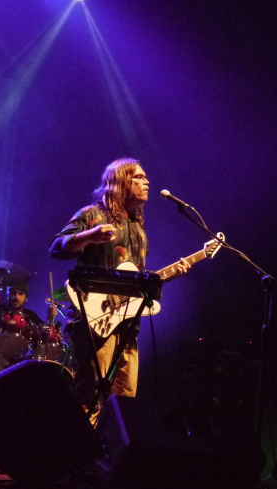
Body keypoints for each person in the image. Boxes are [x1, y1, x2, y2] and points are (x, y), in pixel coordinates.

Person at [49, 158, 188, 408]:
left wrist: (168, 275)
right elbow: (57, 247)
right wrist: (89, 236)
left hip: (127, 327)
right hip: (95, 324)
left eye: (146, 177)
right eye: (139, 177)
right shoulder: (93, 215)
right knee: (89, 400)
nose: (147, 182)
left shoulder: (139, 230)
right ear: (120, 181)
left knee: (124, 406)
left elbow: (135, 281)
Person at [0, 283, 57, 373]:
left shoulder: (30, 315)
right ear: (8, 294)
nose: (16, 297)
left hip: (19, 359)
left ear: (26, 298)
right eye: (13, 293)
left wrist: (51, 319)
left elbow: (44, 333)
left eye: (20, 294)